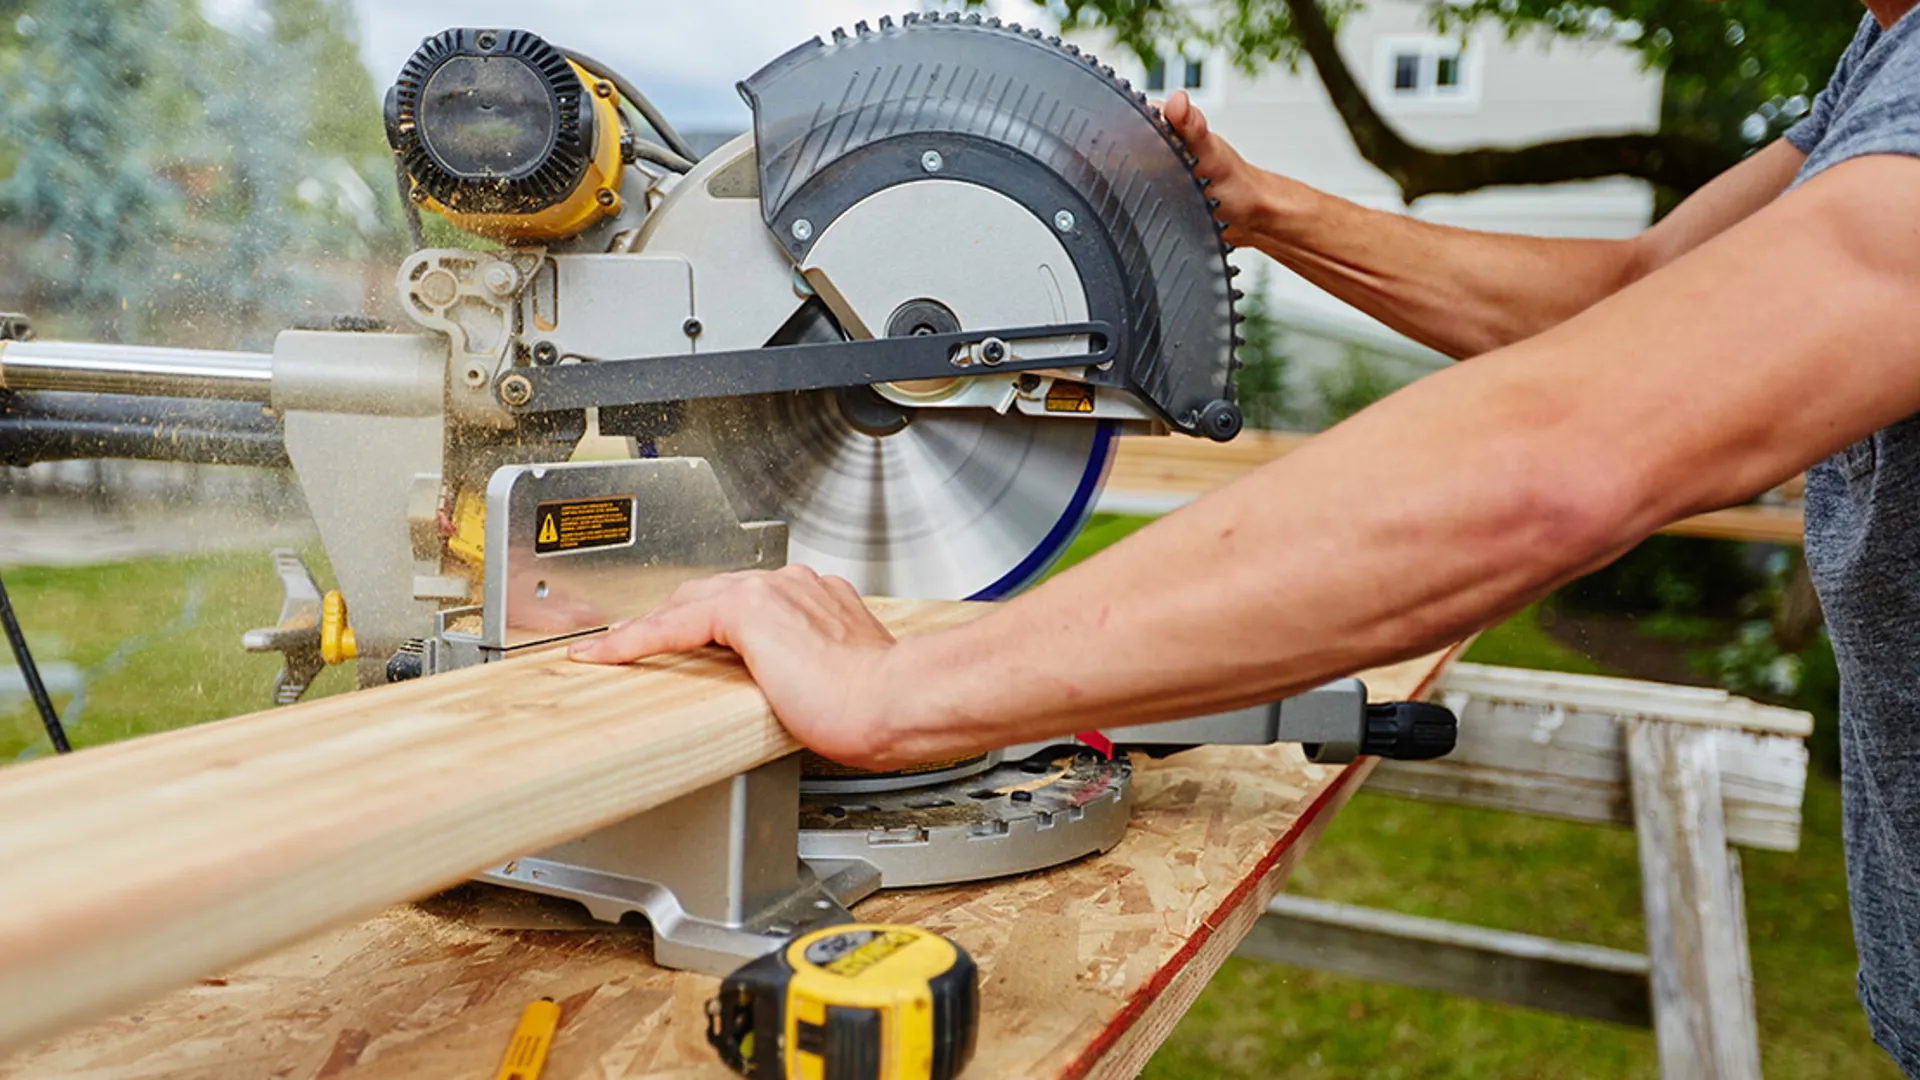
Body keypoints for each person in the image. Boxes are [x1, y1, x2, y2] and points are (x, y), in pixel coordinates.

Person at [573, 2, 1920, 1071]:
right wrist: (1261, 207)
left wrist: (892, 692)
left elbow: (1560, 455)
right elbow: (1638, 299)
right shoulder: (1880, 60)